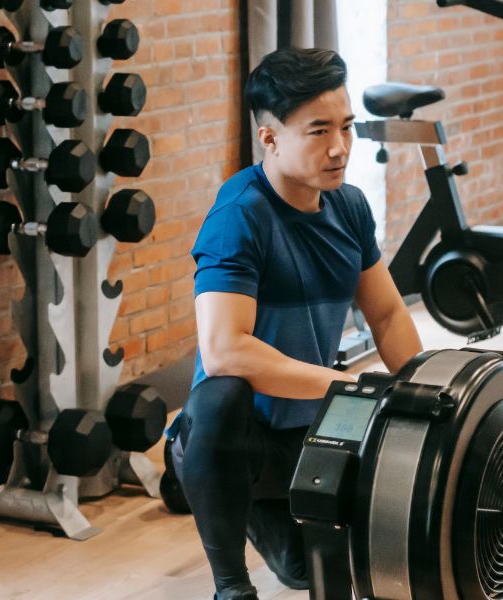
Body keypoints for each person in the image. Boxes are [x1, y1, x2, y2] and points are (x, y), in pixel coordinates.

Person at [168, 48, 423, 600]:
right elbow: (224, 352)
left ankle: (281, 512)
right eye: (318, 132)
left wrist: (424, 386)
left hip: (312, 433)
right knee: (218, 396)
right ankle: (231, 587)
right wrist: (346, 385)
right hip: (239, 444)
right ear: (270, 138)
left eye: (348, 127)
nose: (340, 148)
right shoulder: (239, 216)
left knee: (318, 574)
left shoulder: (348, 207)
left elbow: (386, 313)